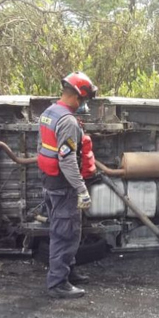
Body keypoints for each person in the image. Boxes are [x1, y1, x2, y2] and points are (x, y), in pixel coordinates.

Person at [38, 72, 98, 299]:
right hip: (63, 185)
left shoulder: (48, 113)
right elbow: (67, 159)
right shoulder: (68, 121)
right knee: (65, 233)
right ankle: (58, 283)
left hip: (50, 180)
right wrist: (81, 189)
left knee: (66, 229)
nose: (84, 105)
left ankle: (68, 271)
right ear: (78, 97)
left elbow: (42, 147)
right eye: (85, 100)